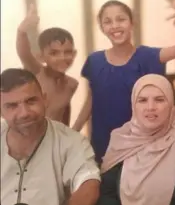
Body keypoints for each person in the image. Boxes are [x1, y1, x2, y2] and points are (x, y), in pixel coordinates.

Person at [72, 0, 175, 163]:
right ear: (101, 28)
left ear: (132, 23)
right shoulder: (95, 61)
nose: (115, 26)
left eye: (121, 19)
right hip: (103, 141)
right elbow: (92, 99)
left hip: (142, 143)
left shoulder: (148, 56)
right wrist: (74, 131)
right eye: (108, 21)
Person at [97, 74, 175, 205]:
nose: (150, 107)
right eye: (142, 100)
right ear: (133, 105)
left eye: (159, 100)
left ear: (171, 103)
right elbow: (108, 195)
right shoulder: (122, 138)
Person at [0, 68, 100, 205]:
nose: (24, 113)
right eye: (12, 106)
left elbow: (88, 184)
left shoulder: (71, 141)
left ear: (45, 100)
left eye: (31, 101)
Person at [16, 4, 78, 126]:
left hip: (53, 137)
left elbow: (65, 110)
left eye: (67, 52)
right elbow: (24, 53)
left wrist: (66, 132)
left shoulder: (72, 84)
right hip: (30, 135)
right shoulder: (37, 72)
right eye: (54, 53)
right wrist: (22, 31)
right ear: (41, 56)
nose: (62, 58)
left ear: (74, 54)